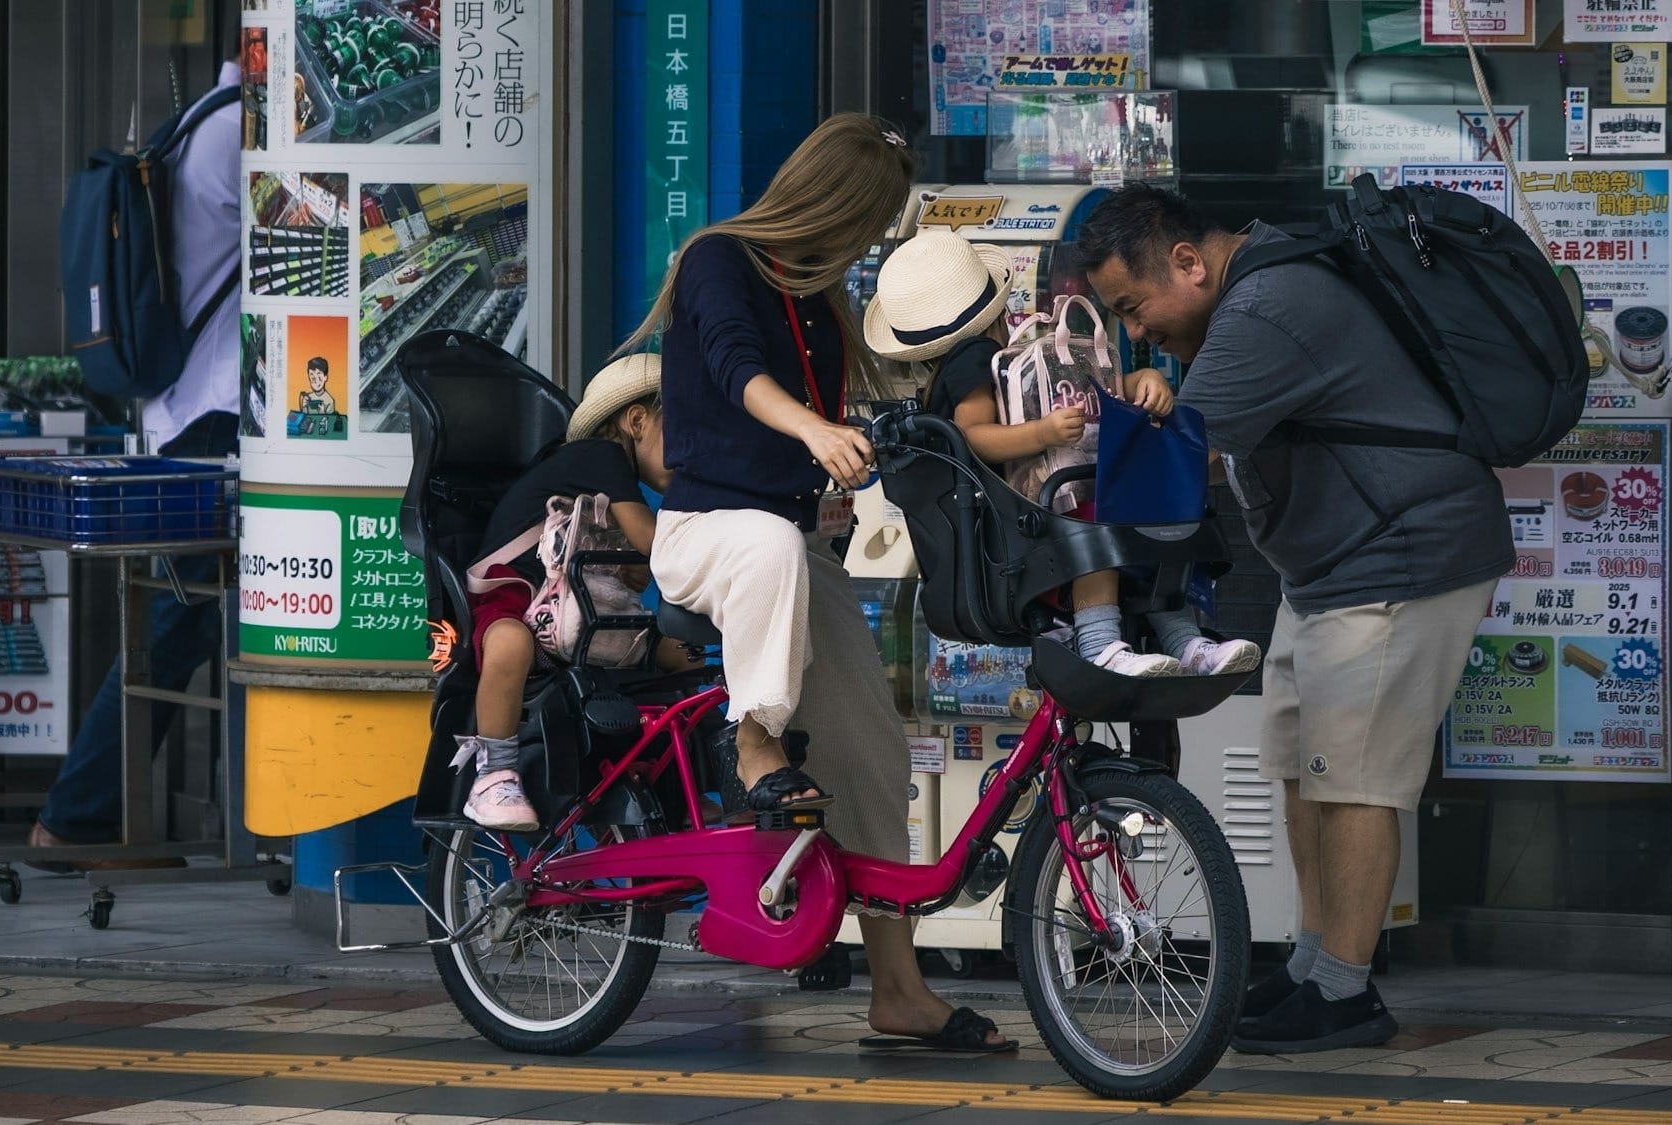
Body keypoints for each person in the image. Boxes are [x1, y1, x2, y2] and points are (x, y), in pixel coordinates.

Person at [1077, 183, 1511, 1054]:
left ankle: (1347, 994)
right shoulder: (1253, 290)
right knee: (1303, 768)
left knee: (1354, 779)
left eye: (1135, 306)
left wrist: (1056, 465)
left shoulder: (1266, 306)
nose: (1136, 332)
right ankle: (1317, 966)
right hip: (1330, 570)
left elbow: (1173, 468)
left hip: (1400, 559)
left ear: (1190, 264)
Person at [626, 112, 1013, 1052]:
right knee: (764, 540)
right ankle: (750, 739)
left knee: (873, 753)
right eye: (866, 222)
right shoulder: (720, 259)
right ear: (830, 204)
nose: (866, 243)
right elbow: (734, 367)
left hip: (791, 549)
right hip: (705, 535)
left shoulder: (821, 302)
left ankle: (898, 987)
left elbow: (828, 421)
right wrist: (809, 432)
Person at [862, 229, 1261, 677]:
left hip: (1014, 525)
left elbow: (1085, 391)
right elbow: (973, 435)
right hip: (1021, 527)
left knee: (1126, 515)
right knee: (1109, 521)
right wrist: (1043, 433)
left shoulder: (992, 361)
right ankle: (1109, 641)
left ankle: (1183, 643)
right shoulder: (977, 358)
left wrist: (1135, 383)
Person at [29, 62, 245, 870]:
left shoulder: (192, 131)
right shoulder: (234, 138)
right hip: (213, 422)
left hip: (179, 417)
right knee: (170, 624)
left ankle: (84, 816)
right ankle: (75, 818)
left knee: (179, 621)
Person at [453, 354, 699, 832]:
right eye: (685, 431)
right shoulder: (600, 457)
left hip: (578, 616)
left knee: (681, 653)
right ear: (636, 421)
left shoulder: (608, 484)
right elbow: (654, 544)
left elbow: (635, 569)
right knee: (510, 642)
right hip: (516, 597)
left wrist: (632, 576)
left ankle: (676, 783)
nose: (692, 451)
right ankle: (494, 773)